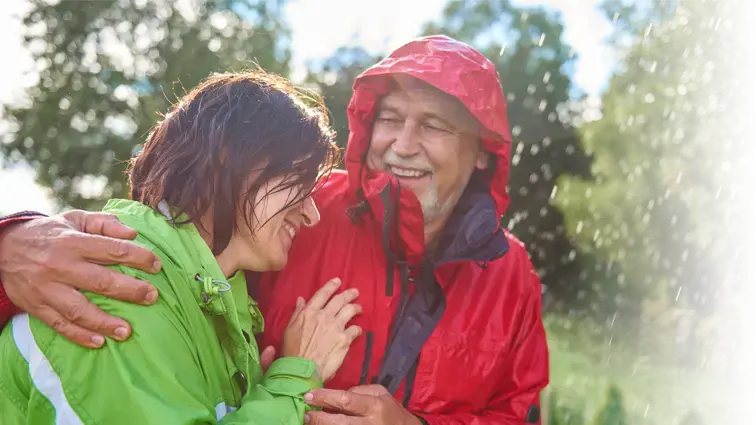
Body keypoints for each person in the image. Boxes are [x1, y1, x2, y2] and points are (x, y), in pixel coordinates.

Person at [0, 35, 549, 425]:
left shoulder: (513, 274)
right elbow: (171, 239)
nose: (402, 144)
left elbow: (519, 415)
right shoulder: (297, 210)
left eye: (432, 125)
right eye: (389, 119)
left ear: (482, 152)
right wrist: (10, 242)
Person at [0, 70, 365, 425]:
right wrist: (293, 381)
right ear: (228, 157)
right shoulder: (118, 284)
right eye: (299, 181)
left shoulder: (207, 304)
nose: (312, 214)